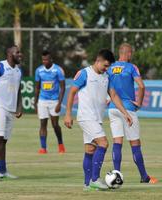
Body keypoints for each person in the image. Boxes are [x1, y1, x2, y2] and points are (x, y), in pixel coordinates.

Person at [64, 49, 133, 190]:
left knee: (90, 150)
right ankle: (95, 179)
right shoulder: (85, 73)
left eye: (109, 66)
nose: (107, 68)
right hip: (86, 117)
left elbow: (113, 95)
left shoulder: (106, 76)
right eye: (105, 65)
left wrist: (125, 113)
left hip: (97, 119)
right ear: (98, 60)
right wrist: (68, 114)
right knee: (104, 143)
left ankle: (87, 184)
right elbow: (72, 92)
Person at [107, 43, 157, 184]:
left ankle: (116, 175)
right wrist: (139, 103)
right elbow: (141, 86)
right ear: (128, 53)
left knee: (117, 142)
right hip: (127, 108)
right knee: (135, 143)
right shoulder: (131, 67)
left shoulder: (109, 68)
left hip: (112, 107)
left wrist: (107, 99)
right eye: (131, 53)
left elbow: (105, 86)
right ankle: (144, 176)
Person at [0, 45, 22, 179]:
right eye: (17, 52)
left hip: (10, 109)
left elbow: (19, 89)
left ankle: (3, 169)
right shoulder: (0, 66)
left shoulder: (18, 71)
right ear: (9, 54)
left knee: (4, 140)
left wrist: (19, 107)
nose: (20, 54)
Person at [34, 51, 66, 154]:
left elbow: (62, 87)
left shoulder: (58, 70)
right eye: (43, 60)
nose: (45, 61)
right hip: (42, 100)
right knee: (43, 124)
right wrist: (35, 102)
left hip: (54, 100)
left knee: (55, 124)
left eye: (47, 59)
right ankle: (43, 148)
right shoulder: (39, 70)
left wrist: (59, 103)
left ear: (51, 59)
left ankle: (60, 144)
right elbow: (37, 87)